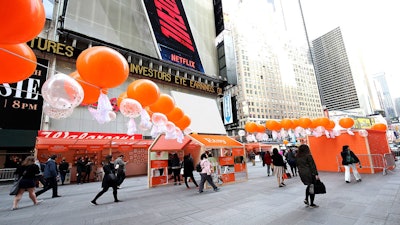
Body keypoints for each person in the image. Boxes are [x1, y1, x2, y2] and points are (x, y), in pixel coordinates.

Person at [296, 144, 320, 208]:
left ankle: (306, 199)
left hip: (302, 174)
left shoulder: (297, 156)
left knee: (309, 185)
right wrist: (316, 174)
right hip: (310, 173)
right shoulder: (308, 156)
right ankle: (312, 203)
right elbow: (313, 166)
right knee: (312, 187)